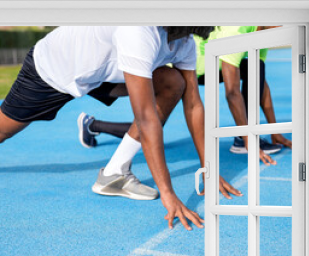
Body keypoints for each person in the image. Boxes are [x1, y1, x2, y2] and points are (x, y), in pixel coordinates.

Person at [0, 26, 241, 230]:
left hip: (100, 71)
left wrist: (208, 167)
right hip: (53, 70)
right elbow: (145, 117)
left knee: (172, 84)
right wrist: (168, 195)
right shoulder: (139, 30)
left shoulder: (181, 39)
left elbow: (193, 104)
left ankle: (114, 173)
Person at [78, 26, 292, 166]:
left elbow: (260, 83)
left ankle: (245, 134)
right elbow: (232, 92)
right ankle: (94, 126)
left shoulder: (263, 34)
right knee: (151, 125)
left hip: (208, 65)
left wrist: (272, 130)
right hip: (187, 63)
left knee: (254, 69)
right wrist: (249, 142)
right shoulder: (237, 30)